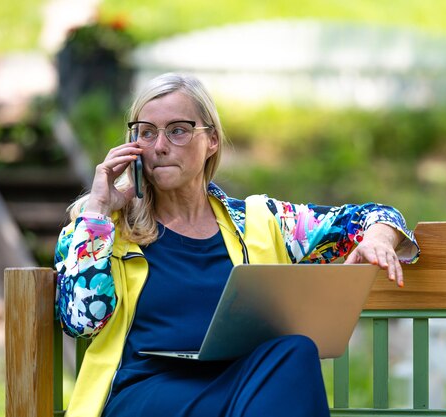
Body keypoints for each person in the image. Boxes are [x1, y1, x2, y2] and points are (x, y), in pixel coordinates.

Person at [54, 72, 420, 417]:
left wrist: (379, 237)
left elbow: (372, 215)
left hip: (242, 388)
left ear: (211, 139)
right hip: (149, 394)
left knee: (295, 351)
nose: (160, 146)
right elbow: (81, 323)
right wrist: (98, 209)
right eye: (146, 133)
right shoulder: (99, 228)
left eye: (178, 131)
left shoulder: (260, 221)